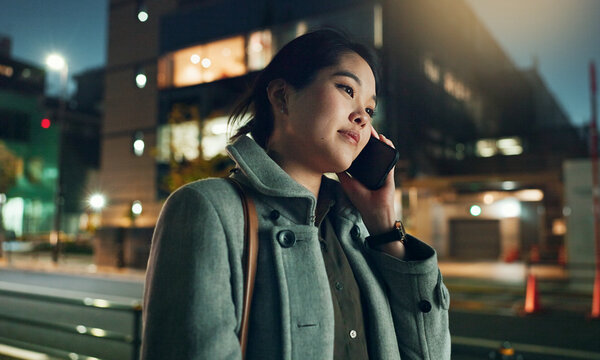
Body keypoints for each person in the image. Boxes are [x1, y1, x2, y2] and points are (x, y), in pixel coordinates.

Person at [141, 29, 450, 359]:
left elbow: (429, 354)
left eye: (370, 110)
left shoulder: (358, 233)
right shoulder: (208, 209)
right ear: (281, 96)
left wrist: (385, 225)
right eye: (347, 89)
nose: (362, 117)